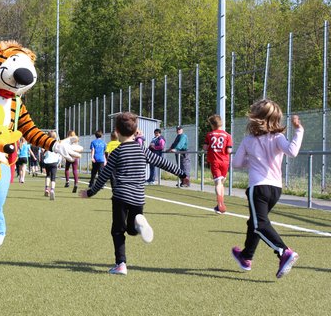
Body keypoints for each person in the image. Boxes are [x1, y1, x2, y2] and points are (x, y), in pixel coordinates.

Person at [80, 112, 189, 275]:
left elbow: (104, 175)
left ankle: (121, 264)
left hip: (121, 196)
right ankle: (139, 223)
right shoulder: (143, 150)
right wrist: (182, 174)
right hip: (138, 197)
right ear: (136, 130)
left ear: (116, 131)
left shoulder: (116, 152)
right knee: (132, 229)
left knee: (118, 231)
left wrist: (90, 192)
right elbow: (163, 162)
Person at [231, 99, 304, 279]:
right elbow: (292, 151)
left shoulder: (249, 140)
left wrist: (253, 161)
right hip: (275, 189)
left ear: (255, 117)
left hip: (258, 188)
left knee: (259, 224)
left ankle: (284, 252)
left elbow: (236, 163)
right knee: (254, 223)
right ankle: (246, 256)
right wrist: (299, 130)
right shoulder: (278, 137)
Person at [203, 115, 233, 214]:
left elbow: (205, 148)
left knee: (218, 183)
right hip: (225, 161)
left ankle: (219, 202)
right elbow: (229, 150)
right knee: (221, 183)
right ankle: (220, 204)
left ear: (212, 124)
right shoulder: (227, 135)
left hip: (215, 161)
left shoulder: (209, 135)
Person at [43, 131, 62, 200]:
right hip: (54, 162)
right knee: (53, 177)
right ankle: (52, 190)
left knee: (48, 175)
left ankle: (46, 188)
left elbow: (43, 152)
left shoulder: (46, 143)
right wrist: (59, 162)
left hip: (47, 162)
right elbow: (60, 153)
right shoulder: (57, 143)